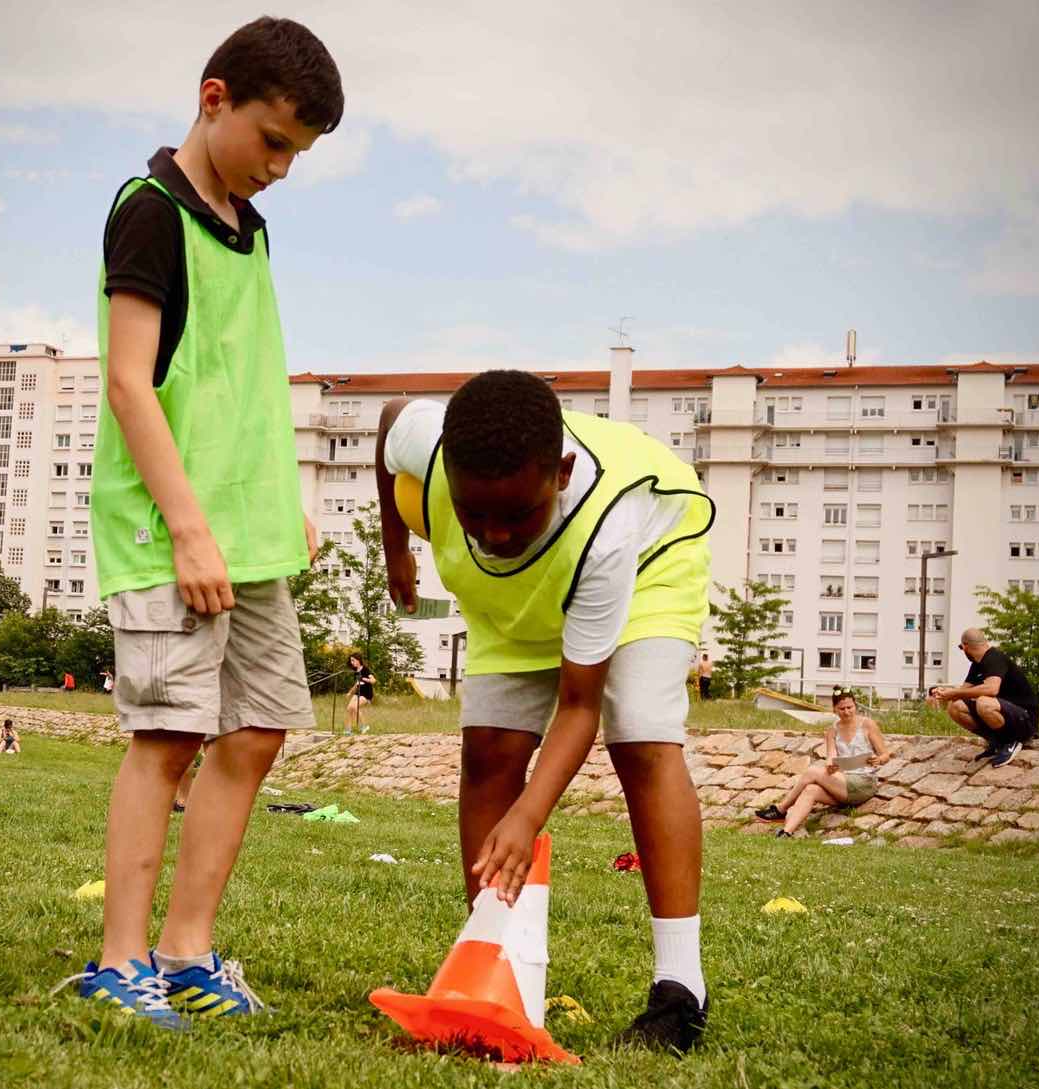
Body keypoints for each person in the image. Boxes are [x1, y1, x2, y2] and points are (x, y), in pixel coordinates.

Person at [72, 17, 344, 1029]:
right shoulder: (149, 211)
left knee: (260, 728)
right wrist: (188, 528)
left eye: (298, 155)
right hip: (168, 529)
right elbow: (131, 384)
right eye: (274, 141)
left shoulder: (253, 228)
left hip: (254, 533)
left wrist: (288, 503)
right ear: (215, 96)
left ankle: (187, 951)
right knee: (167, 736)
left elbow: (243, 384)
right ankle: (118, 962)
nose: (280, 169)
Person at [376, 369, 717, 1052]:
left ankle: (681, 990)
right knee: (490, 754)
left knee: (641, 735)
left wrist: (528, 814)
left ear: (559, 473)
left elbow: (578, 703)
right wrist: (397, 550)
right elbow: (388, 419)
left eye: (516, 514)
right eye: (477, 514)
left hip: (650, 560)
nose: (496, 533)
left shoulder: (609, 526)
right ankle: (493, 964)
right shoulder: (435, 448)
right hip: (515, 597)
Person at [753, 689, 892, 837]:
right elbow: (831, 757)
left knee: (813, 771)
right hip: (841, 785)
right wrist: (831, 766)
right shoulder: (832, 731)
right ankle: (786, 832)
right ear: (834, 709)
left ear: (855, 706)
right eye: (842, 708)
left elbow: (885, 755)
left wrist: (879, 759)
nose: (846, 712)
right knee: (810, 790)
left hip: (863, 782)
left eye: (849, 707)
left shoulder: (868, 724)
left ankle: (781, 809)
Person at [931, 628, 1039, 768]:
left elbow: (992, 689)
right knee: (955, 706)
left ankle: (1012, 741)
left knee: (984, 703)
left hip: (1025, 719)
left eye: (961, 648)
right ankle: (996, 742)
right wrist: (945, 693)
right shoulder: (977, 664)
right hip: (1005, 713)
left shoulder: (995, 658)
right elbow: (963, 692)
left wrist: (954, 693)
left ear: (965, 646)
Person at [344, 652, 376, 733]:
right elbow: (356, 684)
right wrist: (350, 693)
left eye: (353, 660)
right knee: (349, 708)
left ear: (358, 660)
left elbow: (373, 681)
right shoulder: (356, 671)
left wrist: (364, 679)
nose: (352, 662)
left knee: (355, 707)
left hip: (366, 693)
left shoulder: (365, 669)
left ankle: (365, 726)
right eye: (351, 661)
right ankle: (348, 729)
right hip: (358, 692)